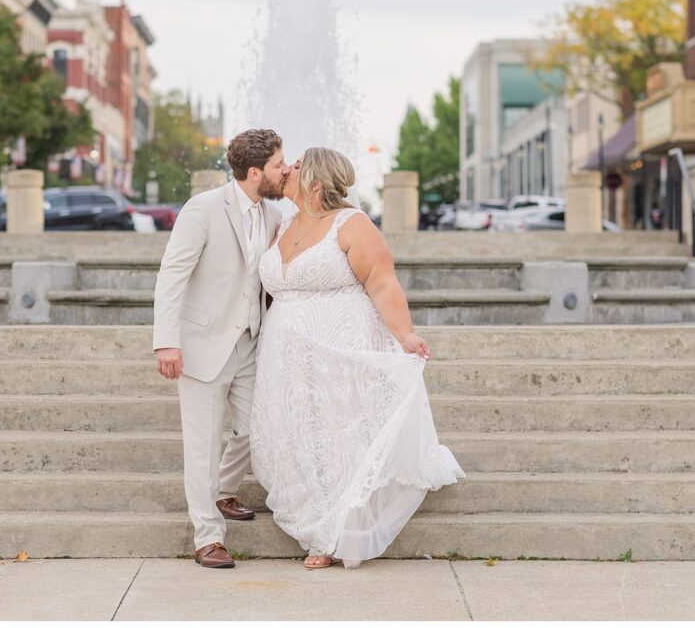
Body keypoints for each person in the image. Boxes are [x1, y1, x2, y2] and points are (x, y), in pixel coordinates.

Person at [251, 147, 466, 569]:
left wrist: (404, 333)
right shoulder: (283, 224)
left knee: (338, 438)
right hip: (286, 357)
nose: (287, 171)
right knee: (295, 436)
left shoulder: (352, 224)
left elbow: (382, 283)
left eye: (295, 167)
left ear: (315, 181)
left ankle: (331, 533)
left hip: (340, 350)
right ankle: (313, 515)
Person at [152, 129, 290, 569]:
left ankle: (223, 491)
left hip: (251, 342)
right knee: (202, 446)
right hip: (201, 344)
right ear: (254, 172)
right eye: (278, 165)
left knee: (254, 430)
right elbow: (172, 275)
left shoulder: (272, 214)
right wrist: (167, 342)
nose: (284, 169)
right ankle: (207, 537)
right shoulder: (204, 208)